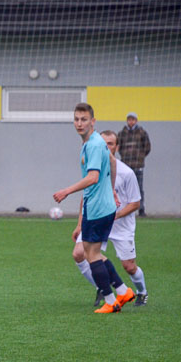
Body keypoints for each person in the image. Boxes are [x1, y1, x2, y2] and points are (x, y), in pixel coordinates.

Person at [53, 103, 135, 314]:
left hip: (98, 208)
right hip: (102, 205)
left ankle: (110, 301)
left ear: (93, 121)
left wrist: (67, 191)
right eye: (76, 119)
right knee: (93, 252)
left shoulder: (92, 145)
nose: (79, 123)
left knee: (91, 255)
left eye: (84, 119)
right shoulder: (96, 141)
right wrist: (113, 191)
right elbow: (113, 162)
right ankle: (123, 291)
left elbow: (93, 177)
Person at [72, 130, 148, 307]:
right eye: (103, 143)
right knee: (79, 253)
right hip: (97, 219)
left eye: (111, 144)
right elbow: (86, 196)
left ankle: (141, 292)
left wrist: (116, 215)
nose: (106, 147)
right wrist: (79, 225)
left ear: (117, 147)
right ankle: (103, 288)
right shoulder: (93, 168)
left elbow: (135, 203)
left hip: (120, 225)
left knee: (129, 266)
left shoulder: (127, 173)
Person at [118, 112, 151, 216]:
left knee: (139, 188)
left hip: (138, 166)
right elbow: (119, 147)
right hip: (126, 166)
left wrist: (140, 157)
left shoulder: (142, 133)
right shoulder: (121, 133)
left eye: (133, 119)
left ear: (136, 120)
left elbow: (147, 147)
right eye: (129, 119)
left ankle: (141, 210)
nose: (131, 121)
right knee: (123, 188)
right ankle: (125, 209)